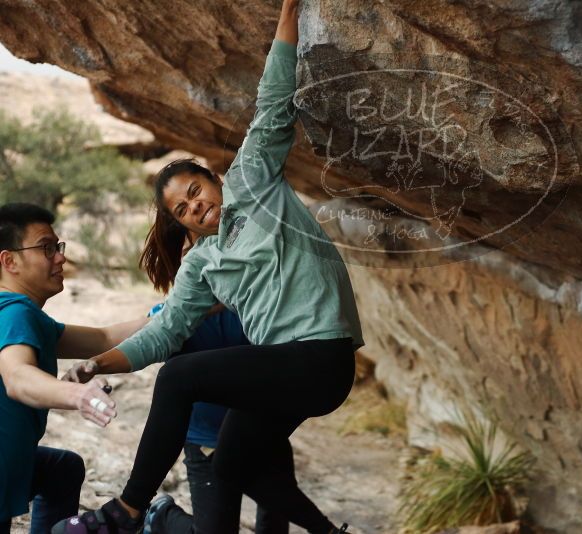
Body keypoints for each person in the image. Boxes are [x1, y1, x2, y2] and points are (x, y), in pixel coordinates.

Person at [54, 0, 361, 532]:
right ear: (183, 223)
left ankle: (128, 509)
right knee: (234, 463)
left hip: (321, 355)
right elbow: (165, 330)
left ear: (214, 181)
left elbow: (272, 103)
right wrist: (100, 363)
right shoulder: (202, 265)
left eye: (195, 191)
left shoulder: (253, 182)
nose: (195, 206)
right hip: (284, 369)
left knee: (179, 379)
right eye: (182, 209)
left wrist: (288, 12)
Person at [0, 203, 148, 534]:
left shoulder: (30, 318)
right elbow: (17, 377)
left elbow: (104, 337)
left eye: (58, 247)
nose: (60, 257)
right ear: (9, 261)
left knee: (62, 468)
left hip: (12, 460)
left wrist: (179, 310)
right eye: (46, 248)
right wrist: (79, 394)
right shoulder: (13, 313)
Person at [140, 230, 290, 534]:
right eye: (186, 252)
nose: (198, 256)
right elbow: (146, 340)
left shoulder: (255, 304)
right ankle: (162, 514)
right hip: (206, 442)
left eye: (205, 246)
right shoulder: (169, 315)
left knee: (276, 521)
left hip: (263, 432)